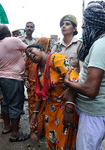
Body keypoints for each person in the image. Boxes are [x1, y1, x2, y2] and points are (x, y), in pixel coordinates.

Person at [62, 1, 105, 150]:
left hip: (93, 114)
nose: (82, 26)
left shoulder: (100, 45)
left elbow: (90, 90)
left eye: (85, 22)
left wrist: (68, 82)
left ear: (93, 22)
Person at [25, 39, 79, 149]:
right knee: (52, 138)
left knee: (63, 141)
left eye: (31, 51)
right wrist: (35, 113)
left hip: (64, 107)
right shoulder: (39, 70)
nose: (30, 55)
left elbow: (73, 77)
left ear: (40, 49)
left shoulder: (55, 58)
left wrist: (69, 107)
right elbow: (40, 94)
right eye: (28, 55)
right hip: (50, 109)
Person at [0, 24, 30, 142]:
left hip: (2, 78)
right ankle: (15, 134)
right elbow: (29, 49)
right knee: (15, 104)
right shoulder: (14, 40)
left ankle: (7, 127)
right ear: (9, 32)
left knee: (6, 102)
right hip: (13, 79)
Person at [25, 37, 50, 140]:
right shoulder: (30, 56)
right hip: (32, 87)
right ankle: (32, 131)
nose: (44, 46)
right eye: (42, 44)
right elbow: (26, 69)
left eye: (45, 45)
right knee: (32, 109)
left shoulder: (48, 57)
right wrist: (26, 79)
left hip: (44, 87)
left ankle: (42, 130)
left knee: (44, 109)